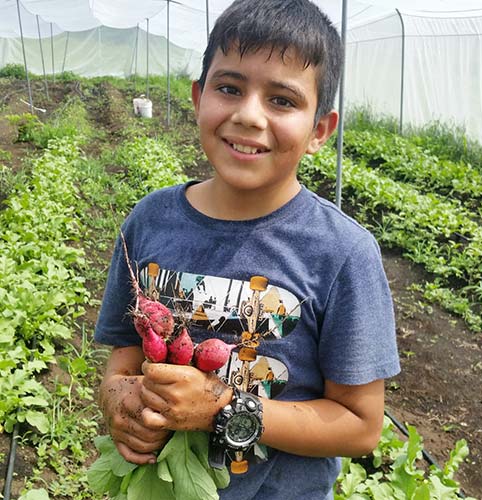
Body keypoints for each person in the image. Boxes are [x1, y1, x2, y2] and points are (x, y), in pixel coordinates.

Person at [94, 0, 400, 498]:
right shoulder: (148, 221)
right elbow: (121, 365)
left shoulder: (342, 254)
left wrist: (221, 407)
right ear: (198, 97)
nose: (248, 115)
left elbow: (360, 426)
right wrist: (120, 403)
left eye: (282, 100)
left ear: (320, 130)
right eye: (229, 88)